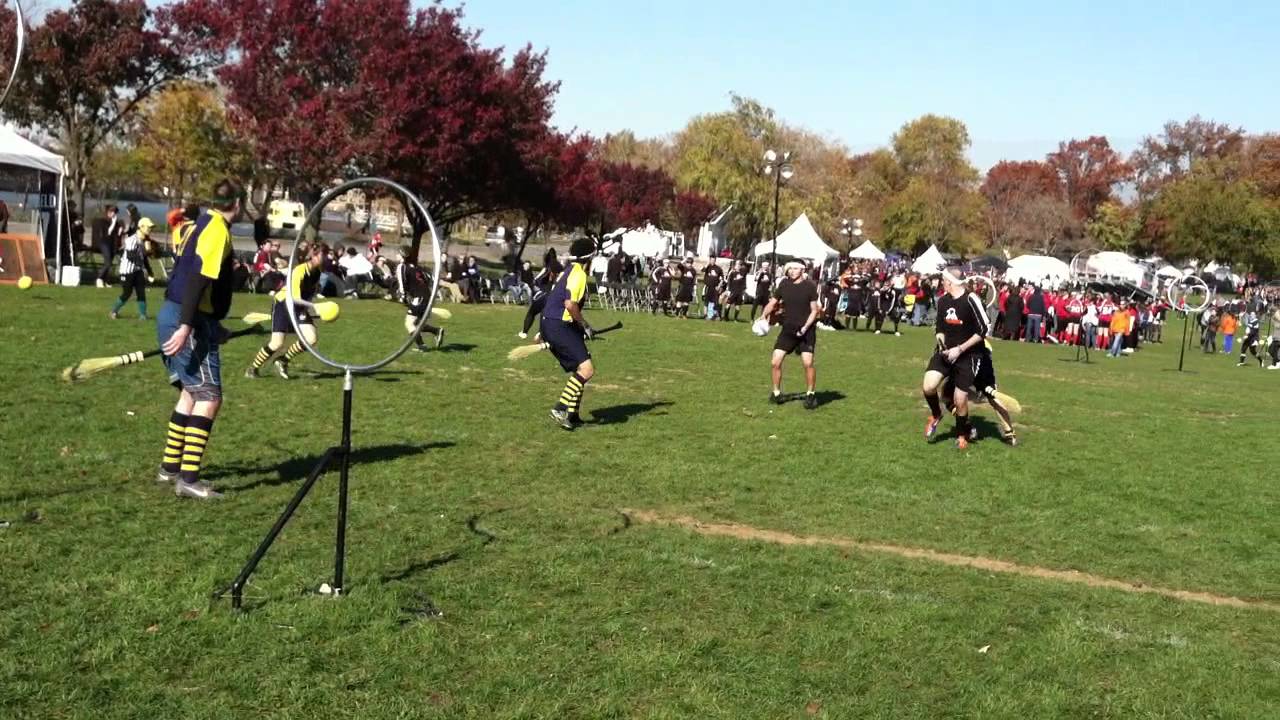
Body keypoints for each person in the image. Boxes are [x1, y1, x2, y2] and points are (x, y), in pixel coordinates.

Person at [155, 179, 243, 500]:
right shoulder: (217, 228)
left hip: (173, 313)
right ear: (239, 203)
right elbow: (198, 278)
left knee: (190, 394)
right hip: (183, 317)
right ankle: (189, 480)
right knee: (209, 396)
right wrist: (187, 326)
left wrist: (209, 324)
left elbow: (187, 272)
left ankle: (169, 469)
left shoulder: (200, 223)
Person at [922, 269, 991, 450]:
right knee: (928, 386)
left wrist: (959, 349)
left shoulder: (971, 299)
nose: (941, 283)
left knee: (960, 399)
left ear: (950, 282)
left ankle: (962, 434)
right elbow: (939, 327)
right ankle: (936, 414)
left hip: (968, 355)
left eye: (943, 280)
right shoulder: (943, 301)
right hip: (946, 353)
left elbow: (984, 330)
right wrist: (941, 341)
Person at [245, 243, 327, 379]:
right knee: (277, 343)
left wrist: (311, 309)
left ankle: (282, 360)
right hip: (284, 304)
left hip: (299, 306)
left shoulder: (317, 272)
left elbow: (307, 295)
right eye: (322, 256)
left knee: (311, 338)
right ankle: (253, 368)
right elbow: (294, 298)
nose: (325, 259)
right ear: (314, 255)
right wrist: (316, 307)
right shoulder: (299, 271)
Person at [543, 238, 600, 430]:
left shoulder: (568, 270)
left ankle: (573, 414)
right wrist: (584, 325)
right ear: (590, 257)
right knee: (587, 370)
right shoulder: (579, 274)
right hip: (559, 325)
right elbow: (570, 304)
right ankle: (560, 408)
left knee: (581, 365)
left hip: (554, 324)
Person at [759, 261, 821, 410]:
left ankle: (810, 394)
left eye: (795, 268)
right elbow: (772, 303)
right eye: (789, 269)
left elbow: (814, 310)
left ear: (802, 270)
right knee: (775, 362)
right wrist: (763, 316)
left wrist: (806, 327)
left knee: (807, 363)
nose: (791, 271)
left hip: (806, 331)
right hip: (788, 330)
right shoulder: (784, 285)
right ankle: (776, 393)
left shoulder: (810, 287)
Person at [395, 245, 446, 352]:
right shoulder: (416, 267)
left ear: (402, 256)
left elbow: (402, 284)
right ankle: (437, 331)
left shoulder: (402, 267)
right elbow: (428, 280)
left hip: (419, 298)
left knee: (409, 323)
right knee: (418, 322)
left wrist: (403, 297)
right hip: (428, 297)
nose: (396, 255)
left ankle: (422, 346)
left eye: (398, 253)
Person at [110, 218, 156, 320]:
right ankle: (113, 311)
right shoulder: (132, 239)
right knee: (127, 293)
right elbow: (131, 256)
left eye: (151, 228)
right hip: (127, 271)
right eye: (148, 227)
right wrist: (143, 261)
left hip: (137, 270)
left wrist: (149, 271)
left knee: (141, 292)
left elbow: (143, 258)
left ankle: (143, 315)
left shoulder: (145, 241)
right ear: (141, 227)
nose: (150, 229)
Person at [520, 249, 562, 339]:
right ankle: (540, 333)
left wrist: (535, 284)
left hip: (544, 294)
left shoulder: (548, 267)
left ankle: (524, 332)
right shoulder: (559, 267)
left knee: (531, 312)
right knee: (544, 314)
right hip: (554, 295)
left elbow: (538, 280)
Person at [95, 205, 126, 288]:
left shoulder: (117, 222)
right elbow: (108, 232)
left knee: (109, 263)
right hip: (104, 243)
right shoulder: (103, 221)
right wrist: (113, 223)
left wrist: (121, 230)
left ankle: (106, 280)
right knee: (108, 262)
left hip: (113, 244)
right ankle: (99, 278)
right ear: (108, 212)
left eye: (115, 212)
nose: (113, 214)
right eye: (112, 212)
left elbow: (118, 234)